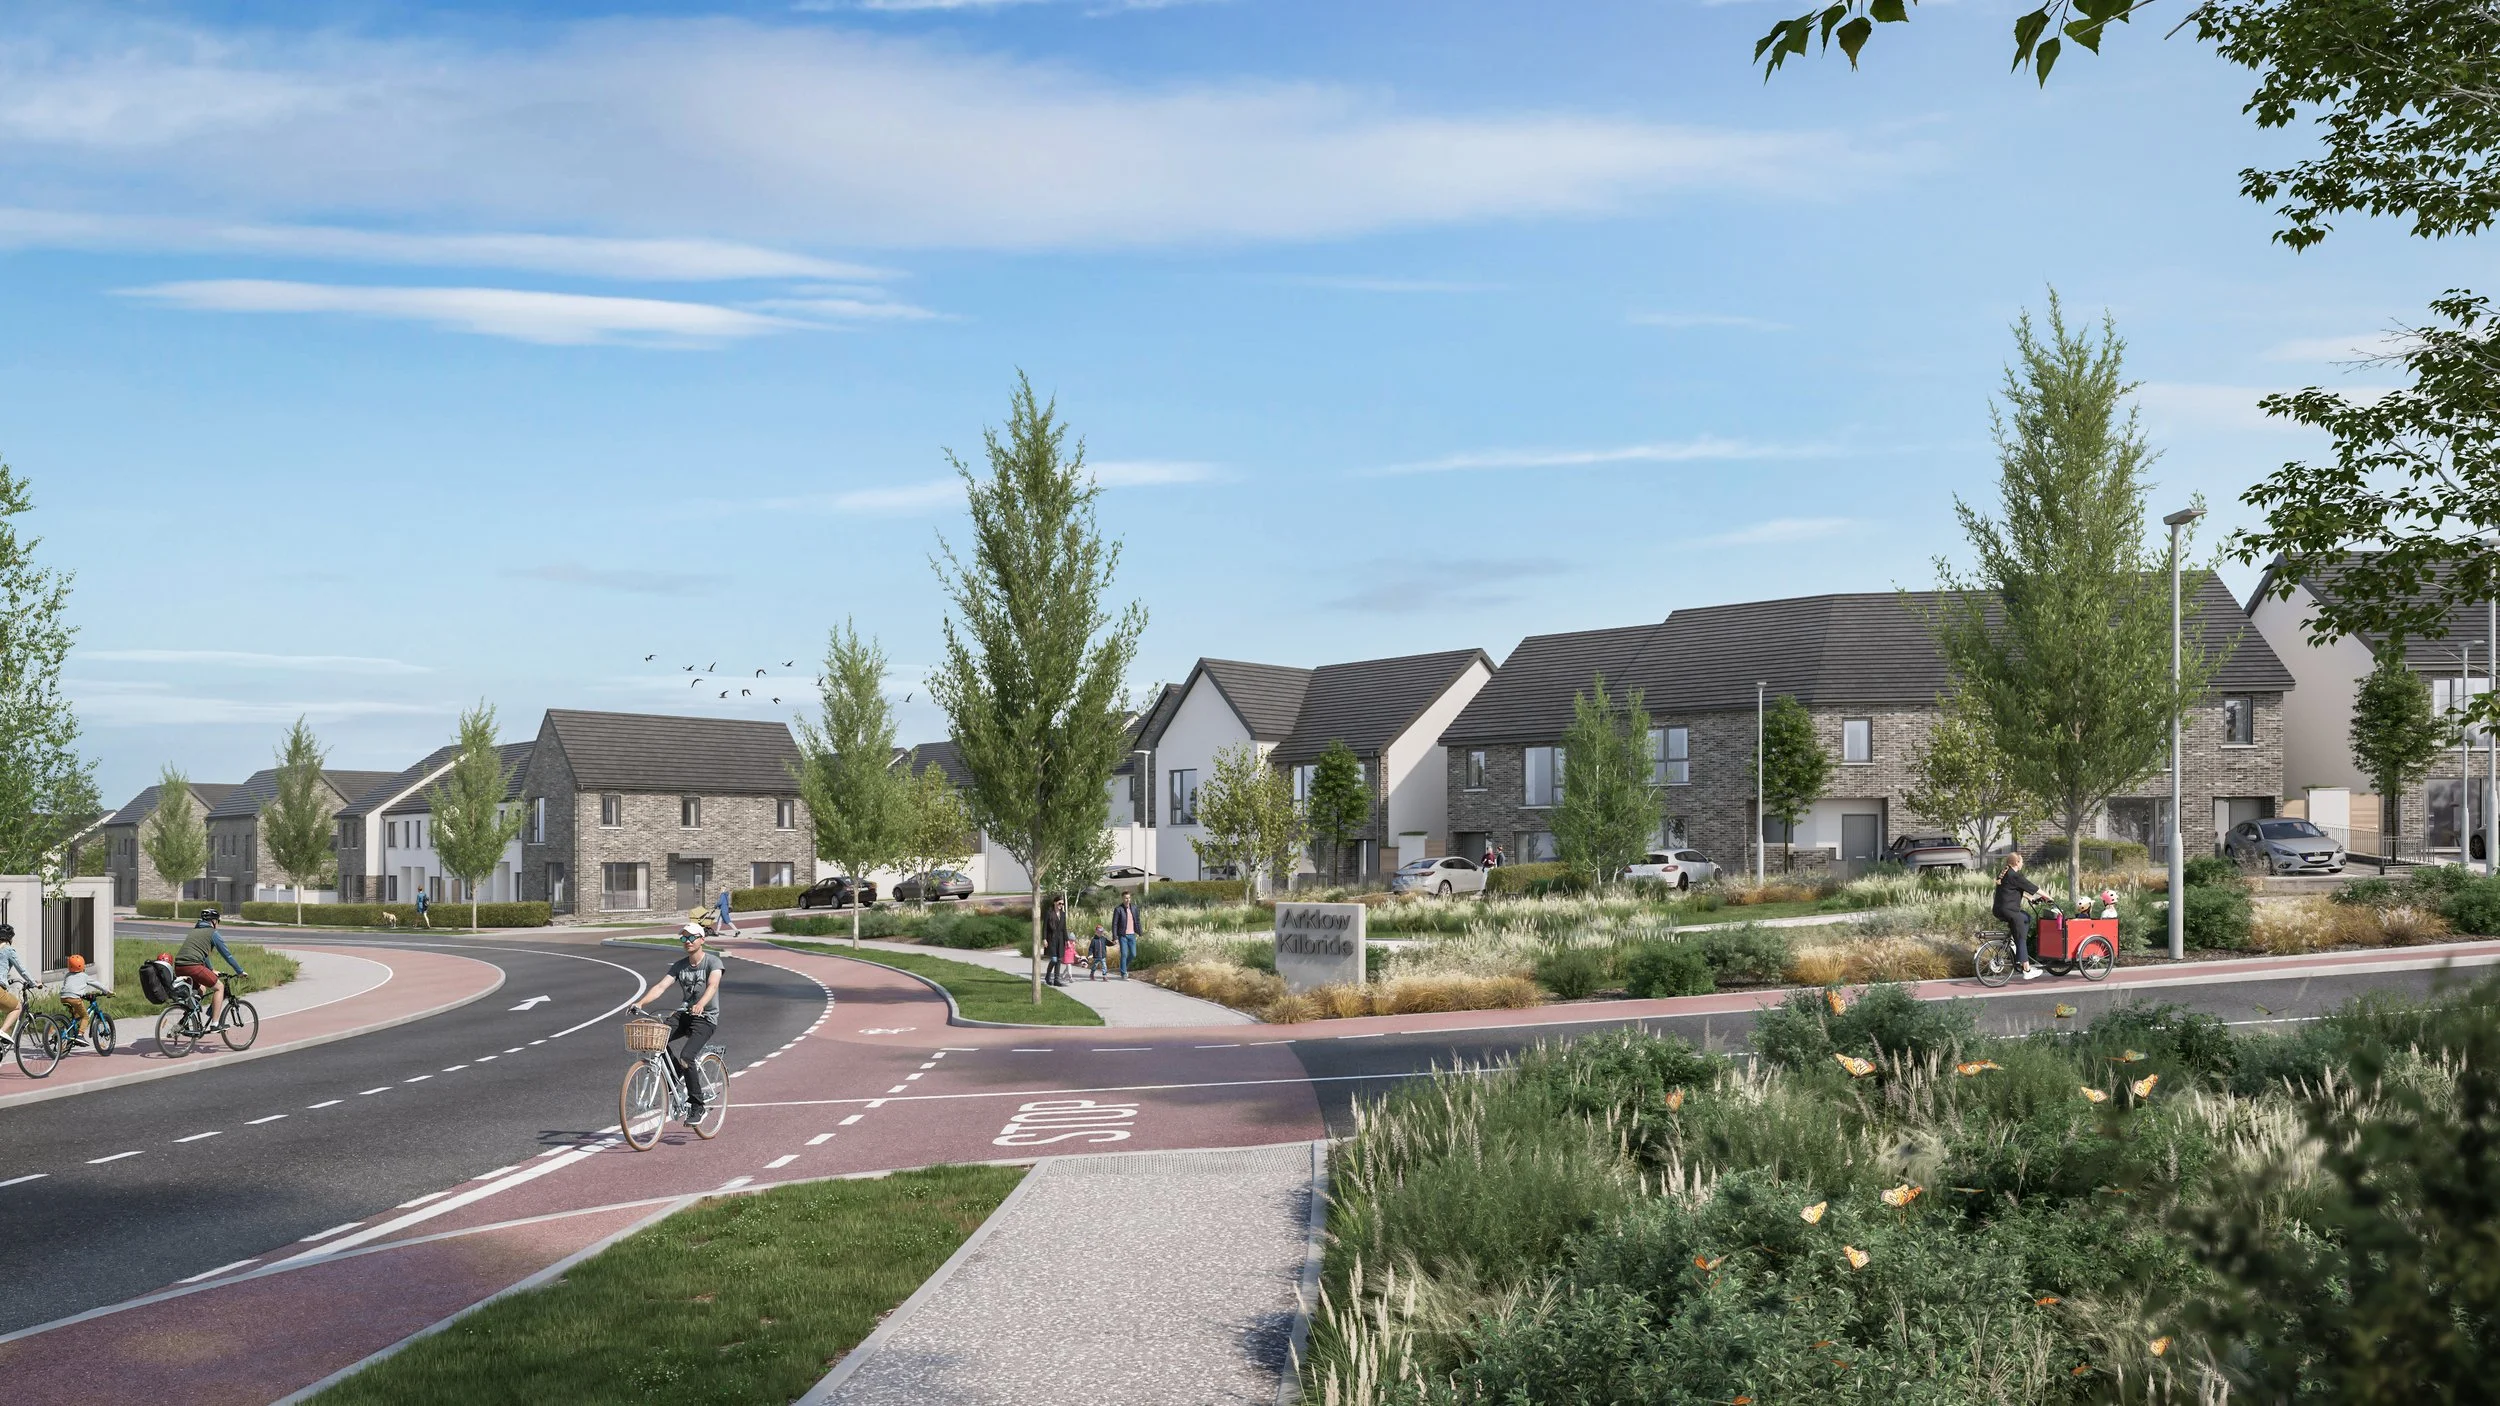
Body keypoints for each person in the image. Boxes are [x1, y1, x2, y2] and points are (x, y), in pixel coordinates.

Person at [630, 923, 724, 1123]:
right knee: (656, 1039)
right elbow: (661, 986)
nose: (687, 942)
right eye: (684, 938)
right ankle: (677, 1076)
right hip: (684, 1014)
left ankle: (697, 1106)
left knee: (687, 1056)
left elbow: (713, 985)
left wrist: (700, 1004)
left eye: (691, 938)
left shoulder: (712, 962)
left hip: (705, 1018)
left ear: (702, 940)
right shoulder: (680, 965)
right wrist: (640, 1002)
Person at [174, 909, 248, 1026]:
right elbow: (227, 955)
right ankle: (215, 1023)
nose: (218, 924)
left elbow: (204, 954)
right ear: (213, 921)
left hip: (179, 967)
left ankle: (187, 1018)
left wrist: (211, 969)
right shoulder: (213, 933)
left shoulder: (194, 931)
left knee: (201, 988)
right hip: (193, 966)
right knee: (219, 987)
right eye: (218, 921)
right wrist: (239, 971)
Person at [1992, 853, 2046, 981]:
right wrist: (2048, 897)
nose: (2023, 863)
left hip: (1999, 909)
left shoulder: (2005, 873)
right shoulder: (2015, 875)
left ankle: (2017, 946)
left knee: (2026, 917)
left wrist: (2028, 897)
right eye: (2021, 861)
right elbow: (2032, 887)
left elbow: (2011, 889)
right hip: (2010, 911)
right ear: (2017, 862)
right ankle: (2026, 969)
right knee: (2021, 938)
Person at [58, 953, 109, 1050]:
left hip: (64, 997)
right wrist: (107, 991)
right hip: (75, 998)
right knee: (85, 1016)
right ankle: (80, 1035)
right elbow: (97, 984)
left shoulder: (68, 975)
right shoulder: (84, 976)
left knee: (77, 1015)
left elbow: (70, 986)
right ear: (82, 965)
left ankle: (71, 1032)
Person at [0, 926, 31, 1048]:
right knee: (17, 1007)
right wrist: (33, 982)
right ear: (10, 938)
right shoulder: (8, 950)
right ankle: (2, 1032)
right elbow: (22, 970)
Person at [1111, 893, 1140, 979]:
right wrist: (1115, 937)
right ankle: (1123, 973)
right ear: (1122, 899)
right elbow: (1114, 924)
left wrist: (1140, 932)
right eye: (1126, 898)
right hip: (1122, 935)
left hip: (1132, 935)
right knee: (1124, 954)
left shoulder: (1134, 908)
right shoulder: (1118, 909)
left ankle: (1123, 966)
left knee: (1133, 954)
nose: (1128, 900)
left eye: (1129, 898)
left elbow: (1137, 921)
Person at [1042, 896, 1069, 986]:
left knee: (1059, 959)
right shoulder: (1049, 913)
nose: (1061, 905)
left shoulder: (1063, 914)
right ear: (1054, 902)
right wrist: (1044, 939)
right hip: (1051, 939)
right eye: (1059, 903)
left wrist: (1067, 940)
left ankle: (1056, 980)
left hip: (1060, 939)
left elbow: (1064, 928)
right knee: (1054, 959)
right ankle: (1048, 976)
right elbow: (1045, 927)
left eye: (1062, 904)